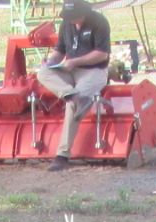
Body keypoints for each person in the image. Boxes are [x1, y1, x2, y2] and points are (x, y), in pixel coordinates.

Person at [35, 0, 111, 171]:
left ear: (83, 12)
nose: (71, 20)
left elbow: (101, 54)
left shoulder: (99, 22)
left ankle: (62, 155)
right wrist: (50, 61)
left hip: (94, 71)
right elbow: (60, 50)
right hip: (70, 69)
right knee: (42, 74)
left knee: (71, 105)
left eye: (74, 16)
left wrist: (75, 61)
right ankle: (73, 95)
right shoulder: (66, 24)